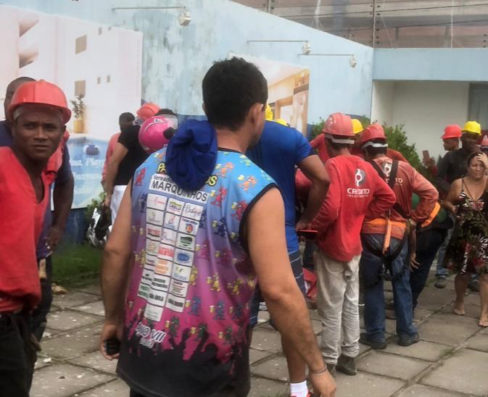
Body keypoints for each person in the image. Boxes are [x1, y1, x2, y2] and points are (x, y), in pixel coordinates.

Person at [99, 58, 335, 397]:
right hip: (210, 367)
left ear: (207, 106)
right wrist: (317, 367)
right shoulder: (255, 187)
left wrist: (112, 318)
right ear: (257, 112)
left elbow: (116, 250)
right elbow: (281, 292)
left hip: (144, 353)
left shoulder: (151, 165)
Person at [246, 119, 330, 397]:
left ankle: (235, 382)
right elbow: (322, 178)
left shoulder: (222, 130)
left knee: (238, 319)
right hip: (281, 238)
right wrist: (307, 218)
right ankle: (298, 389)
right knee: (291, 317)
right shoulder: (288, 137)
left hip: (236, 238)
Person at [0, 79, 71, 396]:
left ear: (61, 135)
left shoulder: (44, 176)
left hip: (19, 313)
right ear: (12, 127)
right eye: (30, 125)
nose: (40, 135)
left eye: (49, 127)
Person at [310, 113, 395, 375]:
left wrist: (313, 227)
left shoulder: (333, 166)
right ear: (352, 140)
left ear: (327, 139)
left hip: (333, 245)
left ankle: (329, 360)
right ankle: (350, 355)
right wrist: (361, 215)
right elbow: (387, 197)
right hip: (354, 247)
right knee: (350, 300)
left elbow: (332, 207)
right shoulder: (365, 166)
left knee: (331, 305)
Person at [358, 123, 437, 349]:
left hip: (370, 234)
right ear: (386, 147)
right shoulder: (405, 169)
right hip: (399, 233)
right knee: (402, 283)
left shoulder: (362, 171)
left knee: (372, 284)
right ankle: (406, 332)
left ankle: (376, 334)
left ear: (365, 149)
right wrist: (414, 220)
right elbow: (431, 193)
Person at [442, 151, 488, 327]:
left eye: (481, 165)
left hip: (486, 237)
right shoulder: (458, 184)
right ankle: (459, 300)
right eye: (474, 165)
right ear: (467, 167)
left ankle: (484, 313)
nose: (477, 169)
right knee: (463, 274)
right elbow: (447, 201)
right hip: (463, 236)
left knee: (487, 276)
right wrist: (453, 209)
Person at [433, 122, 481, 289]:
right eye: (468, 136)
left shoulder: (481, 158)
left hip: (474, 206)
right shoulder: (451, 157)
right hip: (452, 204)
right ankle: (441, 273)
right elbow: (438, 177)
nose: (471, 140)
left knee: (473, 241)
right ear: (463, 137)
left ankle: (472, 277)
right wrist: (453, 190)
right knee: (447, 238)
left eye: (474, 137)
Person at [103, 103, 159, 218]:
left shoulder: (130, 132)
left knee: (119, 229)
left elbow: (114, 162)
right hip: (145, 189)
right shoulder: (156, 137)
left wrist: (108, 194)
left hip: (123, 188)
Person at [102, 113, 134, 181]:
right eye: (122, 124)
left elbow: (109, 161)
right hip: (118, 180)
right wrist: (105, 177)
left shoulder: (138, 138)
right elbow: (108, 161)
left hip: (131, 180)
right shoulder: (114, 138)